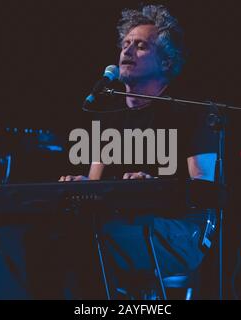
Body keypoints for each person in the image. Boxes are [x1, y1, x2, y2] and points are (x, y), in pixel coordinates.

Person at [57, 4, 219, 299]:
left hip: (181, 232)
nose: (127, 51)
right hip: (119, 226)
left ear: (167, 62)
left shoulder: (191, 113)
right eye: (126, 44)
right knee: (49, 236)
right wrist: (80, 187)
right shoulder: (109, 116)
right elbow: (95, 189)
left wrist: (155, 188)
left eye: (141, 46)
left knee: (91, 240)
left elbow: (203, 192)